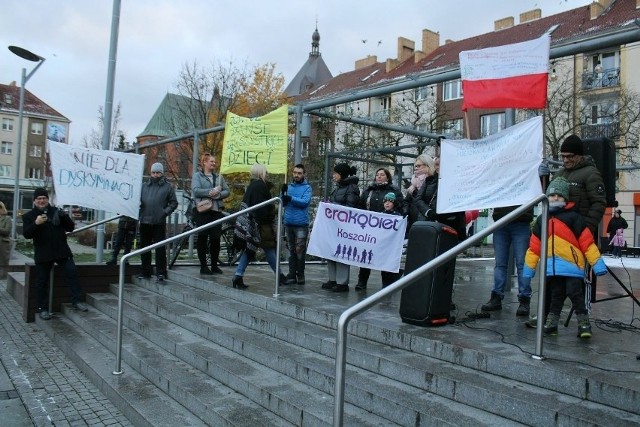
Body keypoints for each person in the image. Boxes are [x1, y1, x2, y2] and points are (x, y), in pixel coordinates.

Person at [523, 177, 607, 338]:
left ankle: (583, 323)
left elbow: (587, 243)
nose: (555, 198)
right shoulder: (542, 220)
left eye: (559, 196)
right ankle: (552, 323)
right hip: (552, 268)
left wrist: (597, 264)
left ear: (566, 198)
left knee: (575, 294)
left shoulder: (573, 218)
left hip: (572, 266)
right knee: (556, 295)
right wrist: (529, 267)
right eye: (552, 195)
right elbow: (534, 247)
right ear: (546, 197)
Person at [22, 188, 89, 320]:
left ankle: (77, 301)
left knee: (72, 273)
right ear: (35, 201)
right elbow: (26, 235)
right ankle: (43, 308)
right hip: (43, 253)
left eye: (44, 198)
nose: (42, 201)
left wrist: (64, 217)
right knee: (42, 281)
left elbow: (70, 228)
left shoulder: (56, 211)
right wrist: (36, 224)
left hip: (62, 251)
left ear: (48, 199)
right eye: (39, 199)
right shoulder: (29, 216)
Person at [232, 163, 285, 289]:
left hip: (252, 223)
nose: (267, 174)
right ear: (261, 172)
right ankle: (280, 276)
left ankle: (238, 276)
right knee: (269, 248)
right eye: (265, 171)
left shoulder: (252, 186)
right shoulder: (260, 186)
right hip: (260, 224)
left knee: (249, 249)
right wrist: (275, 208)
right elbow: (263, 208)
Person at [480, 205, 534, 316]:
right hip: (504, 220)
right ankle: (497, 297)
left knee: (520, 264)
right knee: (502, 263)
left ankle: (523, 299)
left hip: (518, 219)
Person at [355, 167, 404, 290]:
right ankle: (362, 281)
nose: (379, 176)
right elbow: (361, 207)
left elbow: (401, 206)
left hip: (387, 230)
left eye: (382, 174)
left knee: (385, 255)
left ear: (388, 177)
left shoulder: (394, 191)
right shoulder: (368, 191)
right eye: (377, 175)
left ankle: (387, 283)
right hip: (370, 229)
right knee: (366, 254)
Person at [554, 134, 606, 239]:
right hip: (558, 231)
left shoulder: (591, 173)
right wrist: (543, 178)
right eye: (563, 156)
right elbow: (548, 197)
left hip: (579, 234)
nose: (565, 160)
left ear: (579, 155)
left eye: (570, 156)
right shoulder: (559, 173)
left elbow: (599, 203)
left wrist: (586, 228)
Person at [322, 163, 360, 292]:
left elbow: (351, 207)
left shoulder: (351, 188)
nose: (333, 175)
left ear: (342, 174)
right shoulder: (338, 187)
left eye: (335, 173)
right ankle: (333, 279)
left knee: (342, 252)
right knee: (331, 251)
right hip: (334, 226)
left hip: (344, 227)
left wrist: (334, 206)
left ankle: (342, 282)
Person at [138, 162, 178, 283]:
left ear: (162, 173)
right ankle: (145, 271)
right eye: (153, 172)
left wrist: (164, 212)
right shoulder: (144, 186)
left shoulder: (168, 187)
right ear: (150, 173)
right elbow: (138, 201)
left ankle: (161, 272)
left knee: (160, 249)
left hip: (159, 222)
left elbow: (174, 203)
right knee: (144, 247)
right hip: (144, 220)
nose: (155, 175)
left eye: (158, 172)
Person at [191, 153, 230, 275]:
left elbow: (227, 191)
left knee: (215, 238)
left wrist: (218, 194)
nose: (214, 163)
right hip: (202, 210)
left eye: (214, 162)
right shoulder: (197, 176)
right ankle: (203, 266)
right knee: (202, 237)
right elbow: (196, 191)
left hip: (216, 210)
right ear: (204, 163)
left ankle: (214, 265)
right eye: (211, 161)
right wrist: (210, 192)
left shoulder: (219, 177)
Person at [281, 164, 312, 285]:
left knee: (299, 250)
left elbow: (305, 202)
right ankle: (291, 274)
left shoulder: (307, 187)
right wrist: (282, 195)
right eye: (295, 172)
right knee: (291, 250)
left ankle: (301, 274)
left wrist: (290, 198)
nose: (296, 175)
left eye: (299, 173)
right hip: (288, 223)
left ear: (303, 174)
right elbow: (282, 202)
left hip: (300, 224)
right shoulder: (288, 186)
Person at [404, 154, 432, 227]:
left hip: (428, 223)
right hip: (412, 222)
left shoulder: (432, 182)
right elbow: (406, 201)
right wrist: (405, 212)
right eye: (415, 166)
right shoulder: (413, 184)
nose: (416, 168)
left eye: (419, 166)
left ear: (427, 165)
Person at [0, 201, 12, 279]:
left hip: (2, 244)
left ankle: (2, 277)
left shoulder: (7, 218)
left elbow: (7, 231)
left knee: (2, 263)